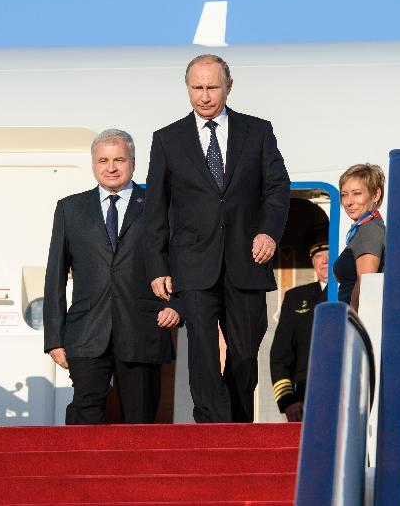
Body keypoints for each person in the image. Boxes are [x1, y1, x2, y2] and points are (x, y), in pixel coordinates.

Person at [144, 54, 291, 423]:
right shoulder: (167, 140)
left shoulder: (257, 131)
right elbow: (156, 210)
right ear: (187, 87)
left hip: (247, 260)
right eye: (197, 88)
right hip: (193, 263)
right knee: (204, 352)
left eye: (212, 87)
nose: (205, 96)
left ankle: (238, 422)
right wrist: (158, 266)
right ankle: (213, 425)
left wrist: (269, 231)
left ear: (229, 85)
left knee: (244, 351)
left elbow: (277, 188)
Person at [42, 129, 179, 425]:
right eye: (103, 160)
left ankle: (138, 472)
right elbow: (55, 275)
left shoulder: (160, 204)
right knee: (84, 417)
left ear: (133, 162)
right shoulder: (70, 209)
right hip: (87, 332)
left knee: (141, 420)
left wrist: (177, 303)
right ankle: (81, 472)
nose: (111, 167)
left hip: (143, 328)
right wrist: (54, 337)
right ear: (93, 163)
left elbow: (181, 260)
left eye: (119, 159)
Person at [270, 239, 329, 422]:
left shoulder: (352, 292)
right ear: (312, 262)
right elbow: (280, 355)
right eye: (318, 256)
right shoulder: (296, 297)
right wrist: (288, 399)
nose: (324, 261)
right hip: (305, 397)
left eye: (329, 254)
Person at [334, 163, 386, 310]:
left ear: (375, 194)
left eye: (357, 193)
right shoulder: (364, 229)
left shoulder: (370, 229)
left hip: (358, 321)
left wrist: (352, 322)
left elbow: (365, 283)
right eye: (344, 195)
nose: (349, 202)